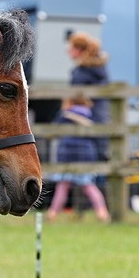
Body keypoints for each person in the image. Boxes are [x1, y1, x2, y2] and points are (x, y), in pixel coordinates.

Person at [45, 94, 111, 222]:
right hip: (86, 154)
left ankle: (52, 213)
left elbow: (52, 131)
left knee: (63, 186)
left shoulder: (64, 115)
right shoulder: (91, 115)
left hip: (66, 152)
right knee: (88, 185)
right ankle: (102, 213)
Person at [67, 32, 110, 155]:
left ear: (79, 50)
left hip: (88, 118)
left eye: (71, 48)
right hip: (102, 116)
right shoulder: (100, 68)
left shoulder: (82, 72)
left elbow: (76, 96)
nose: (68, 51)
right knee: (102, 153)